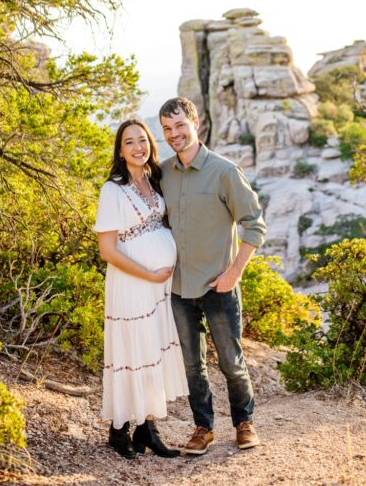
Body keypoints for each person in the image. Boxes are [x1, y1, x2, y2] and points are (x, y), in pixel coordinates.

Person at [158, 96, 266, 454]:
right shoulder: (163, 174)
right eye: (167, 129)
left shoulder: (224, 171)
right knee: (192, 364)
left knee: (231, 362)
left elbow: (254, 225)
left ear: (196, 123)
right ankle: (203, 428)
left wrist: (234, 273)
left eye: (180, 126)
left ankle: (244, 423)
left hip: (219, 285)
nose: (174, 134)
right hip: (178, 288)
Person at [94, 119, 187, 459]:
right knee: (132, 351)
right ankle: (119, 431)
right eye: (129, 142)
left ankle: (147, 429)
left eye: (142, 140)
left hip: (158, 287)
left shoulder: (154, 180)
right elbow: (108, 250)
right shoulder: (113, 190)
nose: (138, 146)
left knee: (153, 351)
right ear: (120, 151)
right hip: (133, 283)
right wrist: (148, 273)